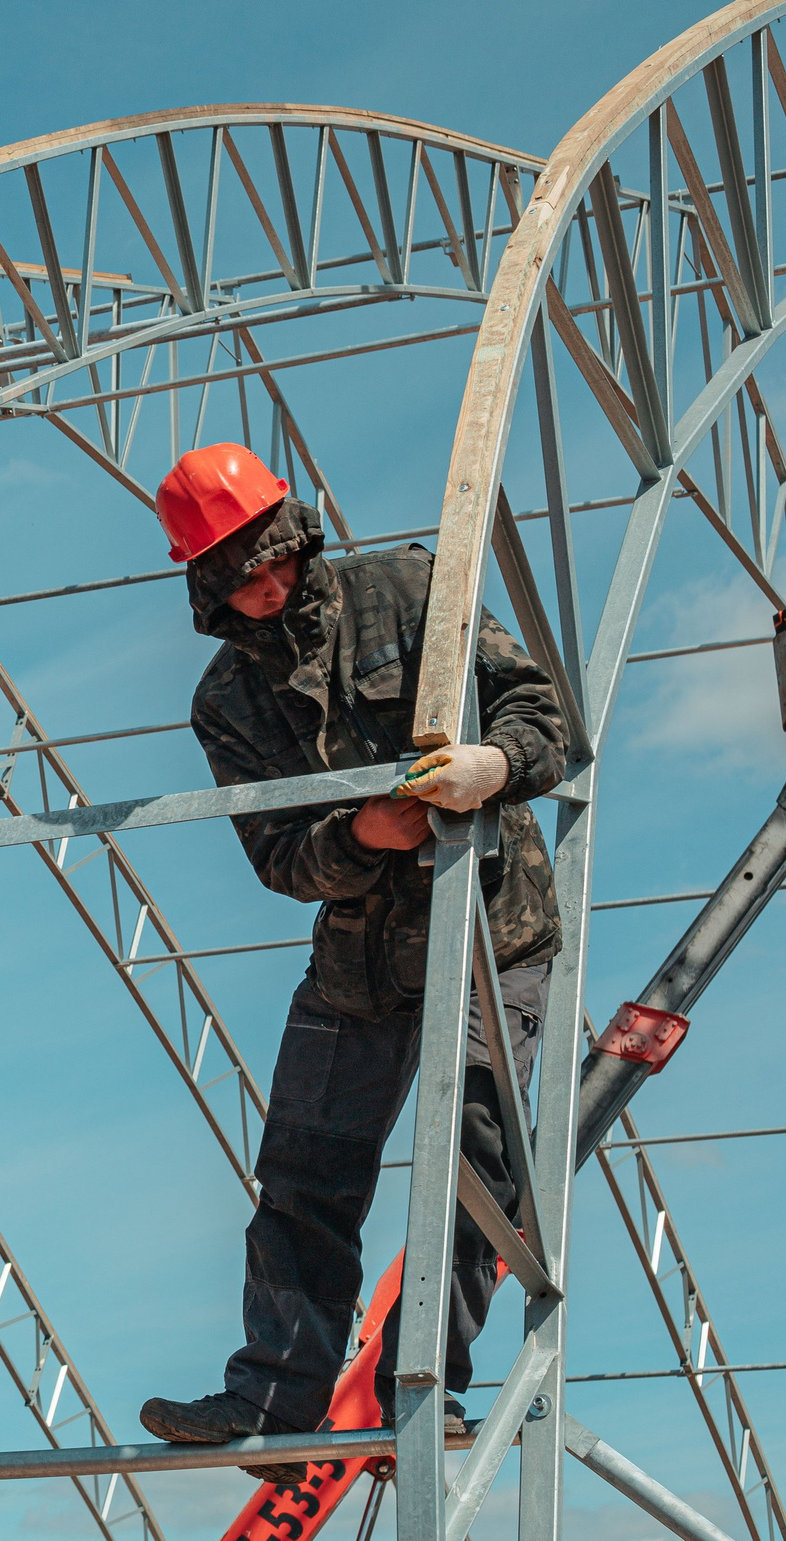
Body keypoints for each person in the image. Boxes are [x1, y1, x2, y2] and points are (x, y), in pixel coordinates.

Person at [135, 444, 566, 1483]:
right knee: (303, 1177)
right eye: (233, 573)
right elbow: (278, 858)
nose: (260, 583)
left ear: (292, 533)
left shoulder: (413, 588)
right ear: (205, 584)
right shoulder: (225, 701)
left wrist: (492, 766)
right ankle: (272, 1402)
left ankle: (425, 1386)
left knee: (472, 1158)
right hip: (358, 961)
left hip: (484, 931)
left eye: (265, 556)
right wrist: (365, 836)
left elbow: (539, 715)